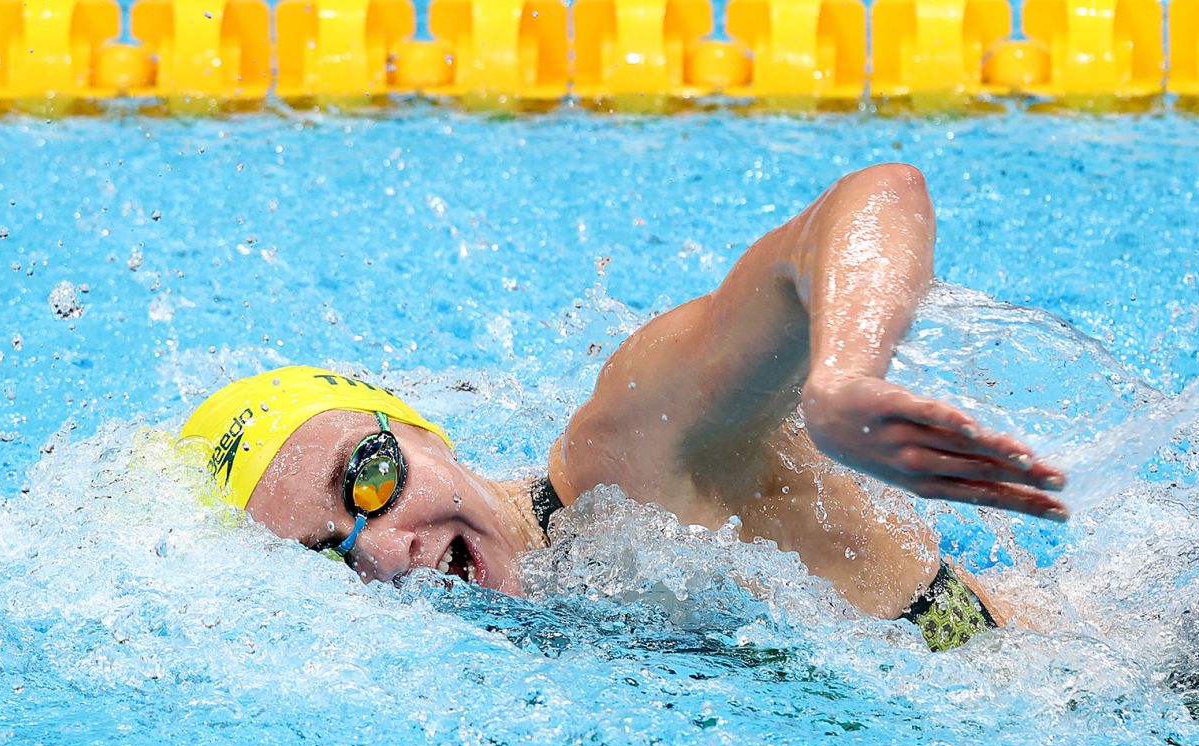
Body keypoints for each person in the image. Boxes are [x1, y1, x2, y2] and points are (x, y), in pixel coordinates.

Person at [180, 164, 1069, 649]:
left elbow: (877, 195)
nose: (381, 547)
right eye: (329, 564)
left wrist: (843, 376)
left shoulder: (631, 454)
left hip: (1110, 687)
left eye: (367, 480)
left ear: (417, 427)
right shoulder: (521, 640)